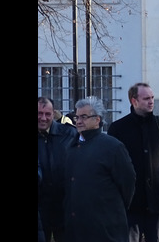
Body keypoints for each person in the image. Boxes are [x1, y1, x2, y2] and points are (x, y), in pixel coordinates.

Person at [64, 96, 136, 242]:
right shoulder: (71, 146)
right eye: (77, 116)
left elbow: (127, 183)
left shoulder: (113, 147)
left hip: (105, 226)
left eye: (84, 117)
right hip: (77, 228)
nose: (78, 121)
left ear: (97, 120)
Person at [108, 82, 159, 242]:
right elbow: (113, 166)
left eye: (152, 98)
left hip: (158, 204)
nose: (151, 102)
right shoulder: (118, 128)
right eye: (146, 98)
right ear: (134, 101)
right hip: (130, 204)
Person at [38, 96, 78, 242]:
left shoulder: (69, 134)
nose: (43, 118)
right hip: (40, 208)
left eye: (47, 114)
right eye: (39, 113)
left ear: (53, 113)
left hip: (64, 206)